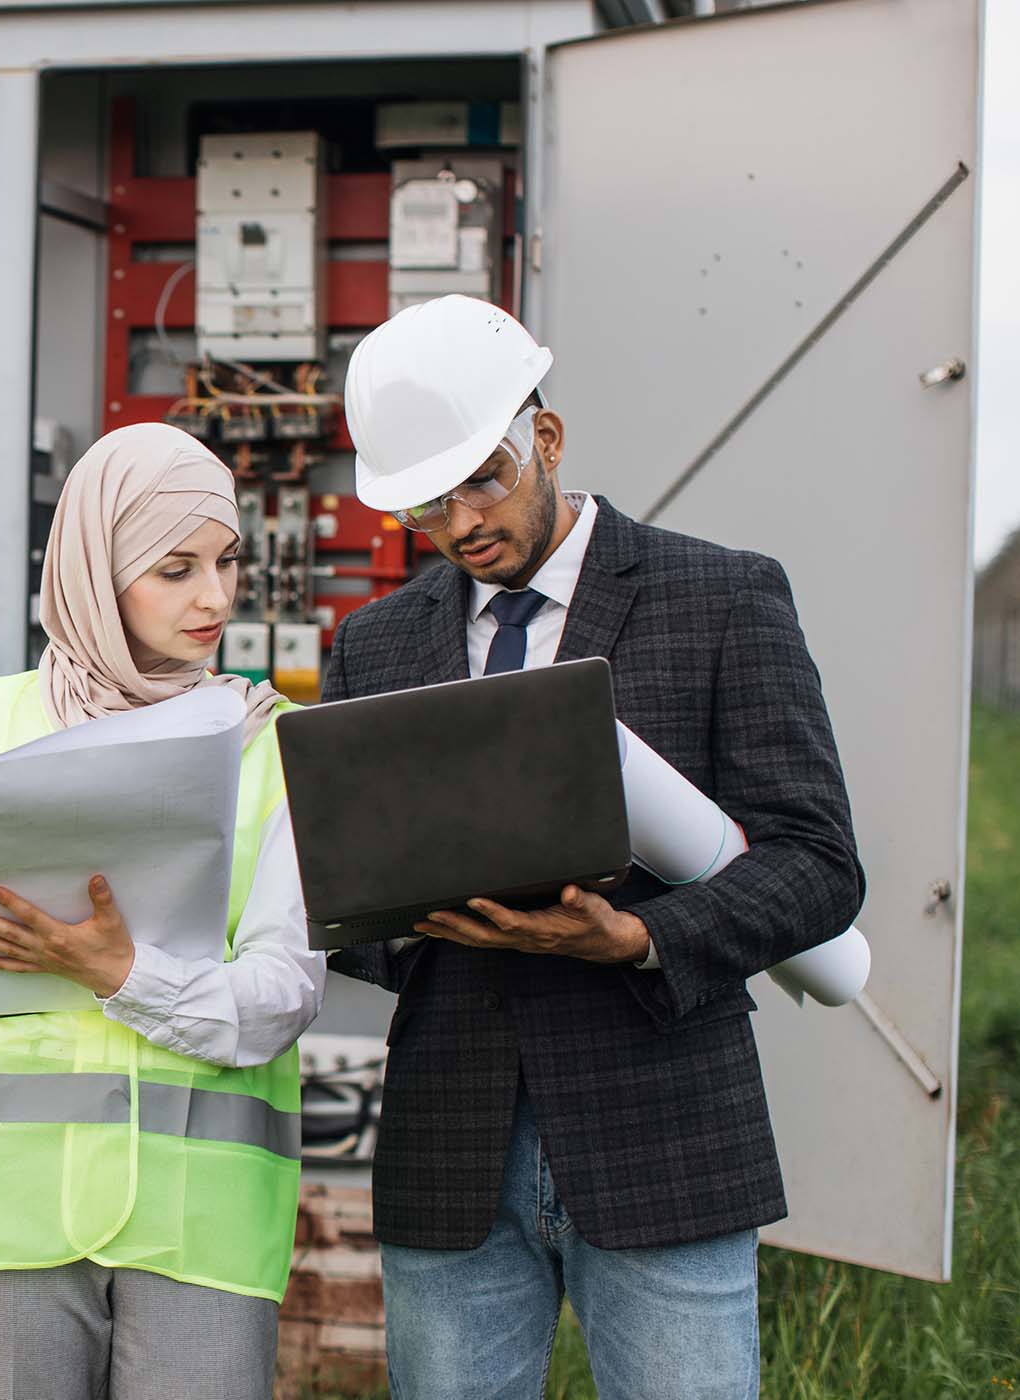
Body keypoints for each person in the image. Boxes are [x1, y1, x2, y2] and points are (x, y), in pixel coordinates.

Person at [321, 295, 864, 1399]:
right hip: (453, 1144)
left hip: (662, 1129)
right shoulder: (374, 646)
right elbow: (343, 905)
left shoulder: (720, 596)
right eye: (426, 505)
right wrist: (415, 915)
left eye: (484, 479)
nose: (462, 523)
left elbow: (817, 863)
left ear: (548, 437)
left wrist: (639, 938)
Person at [0, 422, 324, 1400]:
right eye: (176, 568)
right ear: (94, 567)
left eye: (226, 561)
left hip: (199, 1220)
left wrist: (121, 974)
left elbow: (285, 992)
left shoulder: (267, 747)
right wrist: (18, 942)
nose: (215, 597)